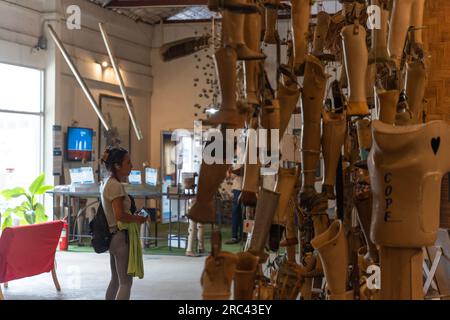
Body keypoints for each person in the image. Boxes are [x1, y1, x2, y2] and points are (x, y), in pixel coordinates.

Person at [100, 147, 147, 300]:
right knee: (125, 283)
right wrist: (137, 219)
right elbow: (120, 215)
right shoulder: (116, 186)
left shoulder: (108, 183)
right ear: (117, 166)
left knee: (115, 280)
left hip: (113, 238)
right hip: (120, 239)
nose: (132, 166)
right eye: (128, 162)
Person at [225, 164, 243, 245]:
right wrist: (230, 172)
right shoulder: (237, 159)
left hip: (243, 187)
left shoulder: (241, 157)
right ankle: (236, 236)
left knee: (239, 212)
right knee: (237, 212)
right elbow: (230, 176)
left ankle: (238, 236)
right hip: (238, 187)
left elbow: (233, 174)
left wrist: (231, 172)